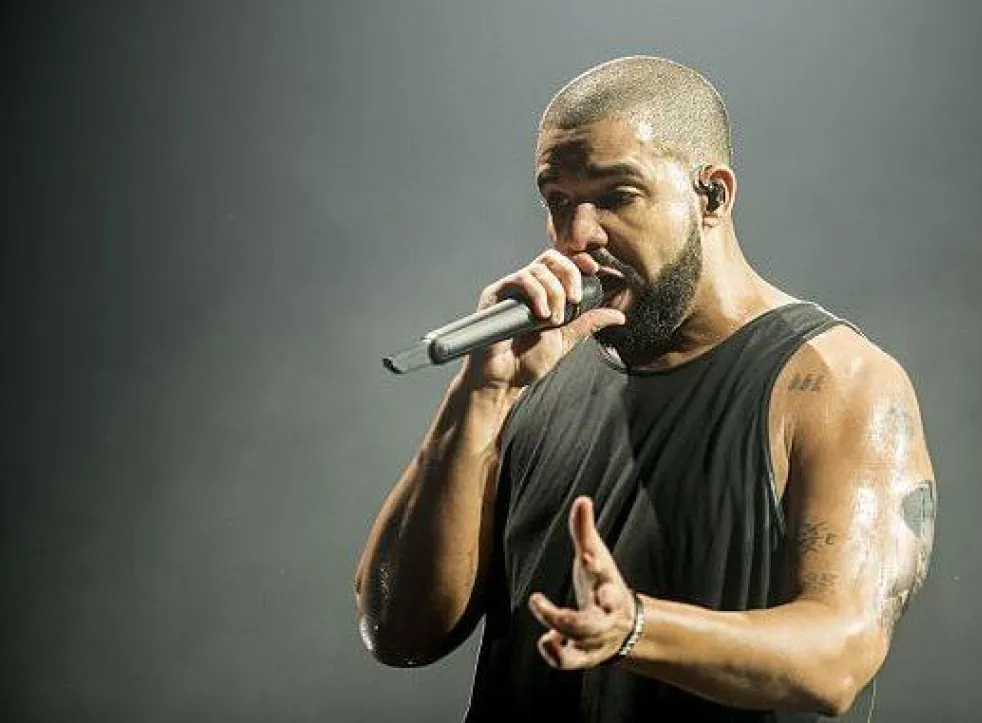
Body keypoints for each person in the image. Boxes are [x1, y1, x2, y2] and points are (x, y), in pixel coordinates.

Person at [353, 55, 938, 722]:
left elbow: (839, 658)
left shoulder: (837, 384)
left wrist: (635, 627)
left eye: (617, 196)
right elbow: (396, 633)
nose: (578, 235)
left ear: (712, 196)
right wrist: (480, 394)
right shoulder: (529, 371)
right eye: (559, 200)